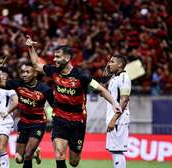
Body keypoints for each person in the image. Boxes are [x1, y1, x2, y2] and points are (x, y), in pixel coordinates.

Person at [25, 35, 121, 168]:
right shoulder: (54, 71)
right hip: (59, 118)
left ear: (67, 58)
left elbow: (101, 90)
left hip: (78, 121)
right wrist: (30, 48)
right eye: (54, 56)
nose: (54, 59)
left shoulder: (81, 76)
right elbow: (36, 65)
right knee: (59, 153)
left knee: (74, 162)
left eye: (58, 57)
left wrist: (115, 103)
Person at [0, 58, 54, 168]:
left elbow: (55, 106)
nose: (24, 75)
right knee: (18, 159)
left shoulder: (45, 89)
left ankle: (32, 152)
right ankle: (36, 152)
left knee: (27, 155)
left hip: (38, 124)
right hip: (24, 123)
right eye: (22, 72)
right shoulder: (18, 84)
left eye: (27, 72)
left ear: (35, 73)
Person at [105, 55, 131, 168]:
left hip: (119, 119)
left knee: (117, 151)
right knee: (114, 150)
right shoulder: (114, 77)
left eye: (112, 62)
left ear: (120, 64)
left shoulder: (124, 78)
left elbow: (124, 100)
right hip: (114, 119)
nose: (109, 64)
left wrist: (113, 120)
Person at [0, 66, 18, 168]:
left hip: (6, 120)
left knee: (1, 146)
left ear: (6, 75)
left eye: (2, 74)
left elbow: (16, 102)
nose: (0, 76)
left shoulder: (9, 87)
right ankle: (2, 165)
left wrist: (8, 112)